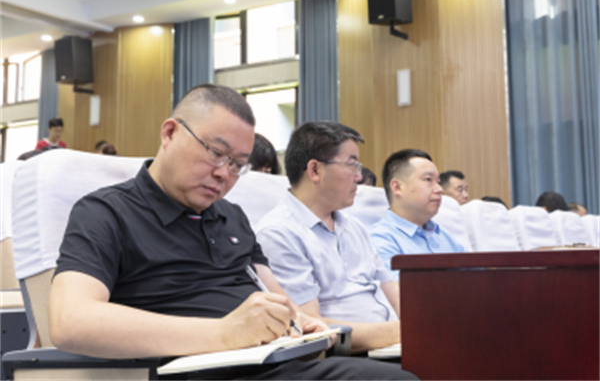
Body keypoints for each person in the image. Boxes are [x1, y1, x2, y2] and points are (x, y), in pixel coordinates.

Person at [49, 85, 417, 380]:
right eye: (215, 153)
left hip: (273, 363)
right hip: (197, 369)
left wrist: (299, 320)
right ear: (170, 133)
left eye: (238, 165)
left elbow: (278, 299)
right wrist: (224, 333)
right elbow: (70, 322)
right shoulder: (106, 212)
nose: (224, 174)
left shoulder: (232, 216)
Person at [256, 121, 401, 354]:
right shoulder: (279, 234)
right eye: (352, 165)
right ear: (315, 170)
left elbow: (391, 292)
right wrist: (403, 332)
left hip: (392, 345)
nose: (359, 176)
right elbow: (311, 327)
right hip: (350, 355)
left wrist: (422, 325)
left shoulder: (354, 227)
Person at [369, 149, 465, 280]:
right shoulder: (380, 239)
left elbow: (477, 278)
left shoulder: (444, 236)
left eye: (438, 182)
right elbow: (400, 290)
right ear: (397, 187)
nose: (439, 189)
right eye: (428, 179)